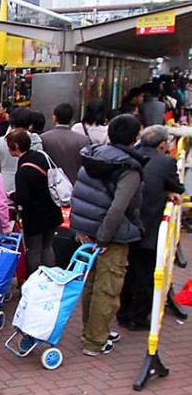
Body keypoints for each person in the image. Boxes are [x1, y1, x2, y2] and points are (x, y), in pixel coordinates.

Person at [70, 113, 146, 357]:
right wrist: (104, 237)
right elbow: (118, 207)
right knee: (108, 287)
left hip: (87, 229)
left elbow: (81, 193)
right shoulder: (128, 168)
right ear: (135, 138)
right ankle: (95, 340)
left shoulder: (93, 156)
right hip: (109, 234)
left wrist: (84, 231)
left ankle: (91, 329)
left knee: (92, 283)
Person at [119, 126, 183, 331]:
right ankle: (138, 317)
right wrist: (168, 191)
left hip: (126, 224)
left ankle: (123, 313)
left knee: (127, 272)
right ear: (163, 145)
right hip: (149, 226)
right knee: (146, 275)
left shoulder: (131, 157)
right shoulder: (165, 162)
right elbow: (178, 186)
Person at [7, 130, 63, 273]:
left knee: (34, 250)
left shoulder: (23, 171)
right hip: (53, 210)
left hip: (34, 217)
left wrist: (12, 195)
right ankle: (50, 279)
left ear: (16, 146)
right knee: (48, 247)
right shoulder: (41, 156)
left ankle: (34, 280)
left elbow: (22, 198)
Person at [0, 107, 43, 195]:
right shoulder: (36, 141)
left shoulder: (2, 141)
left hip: (5, 185)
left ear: (12, 124)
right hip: (29, 187)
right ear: (30, 125)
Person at [39, 103, 89, 184]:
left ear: (54, 118)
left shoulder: (44, 138)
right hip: (74, 184)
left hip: (51, 185)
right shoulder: (83, 140)